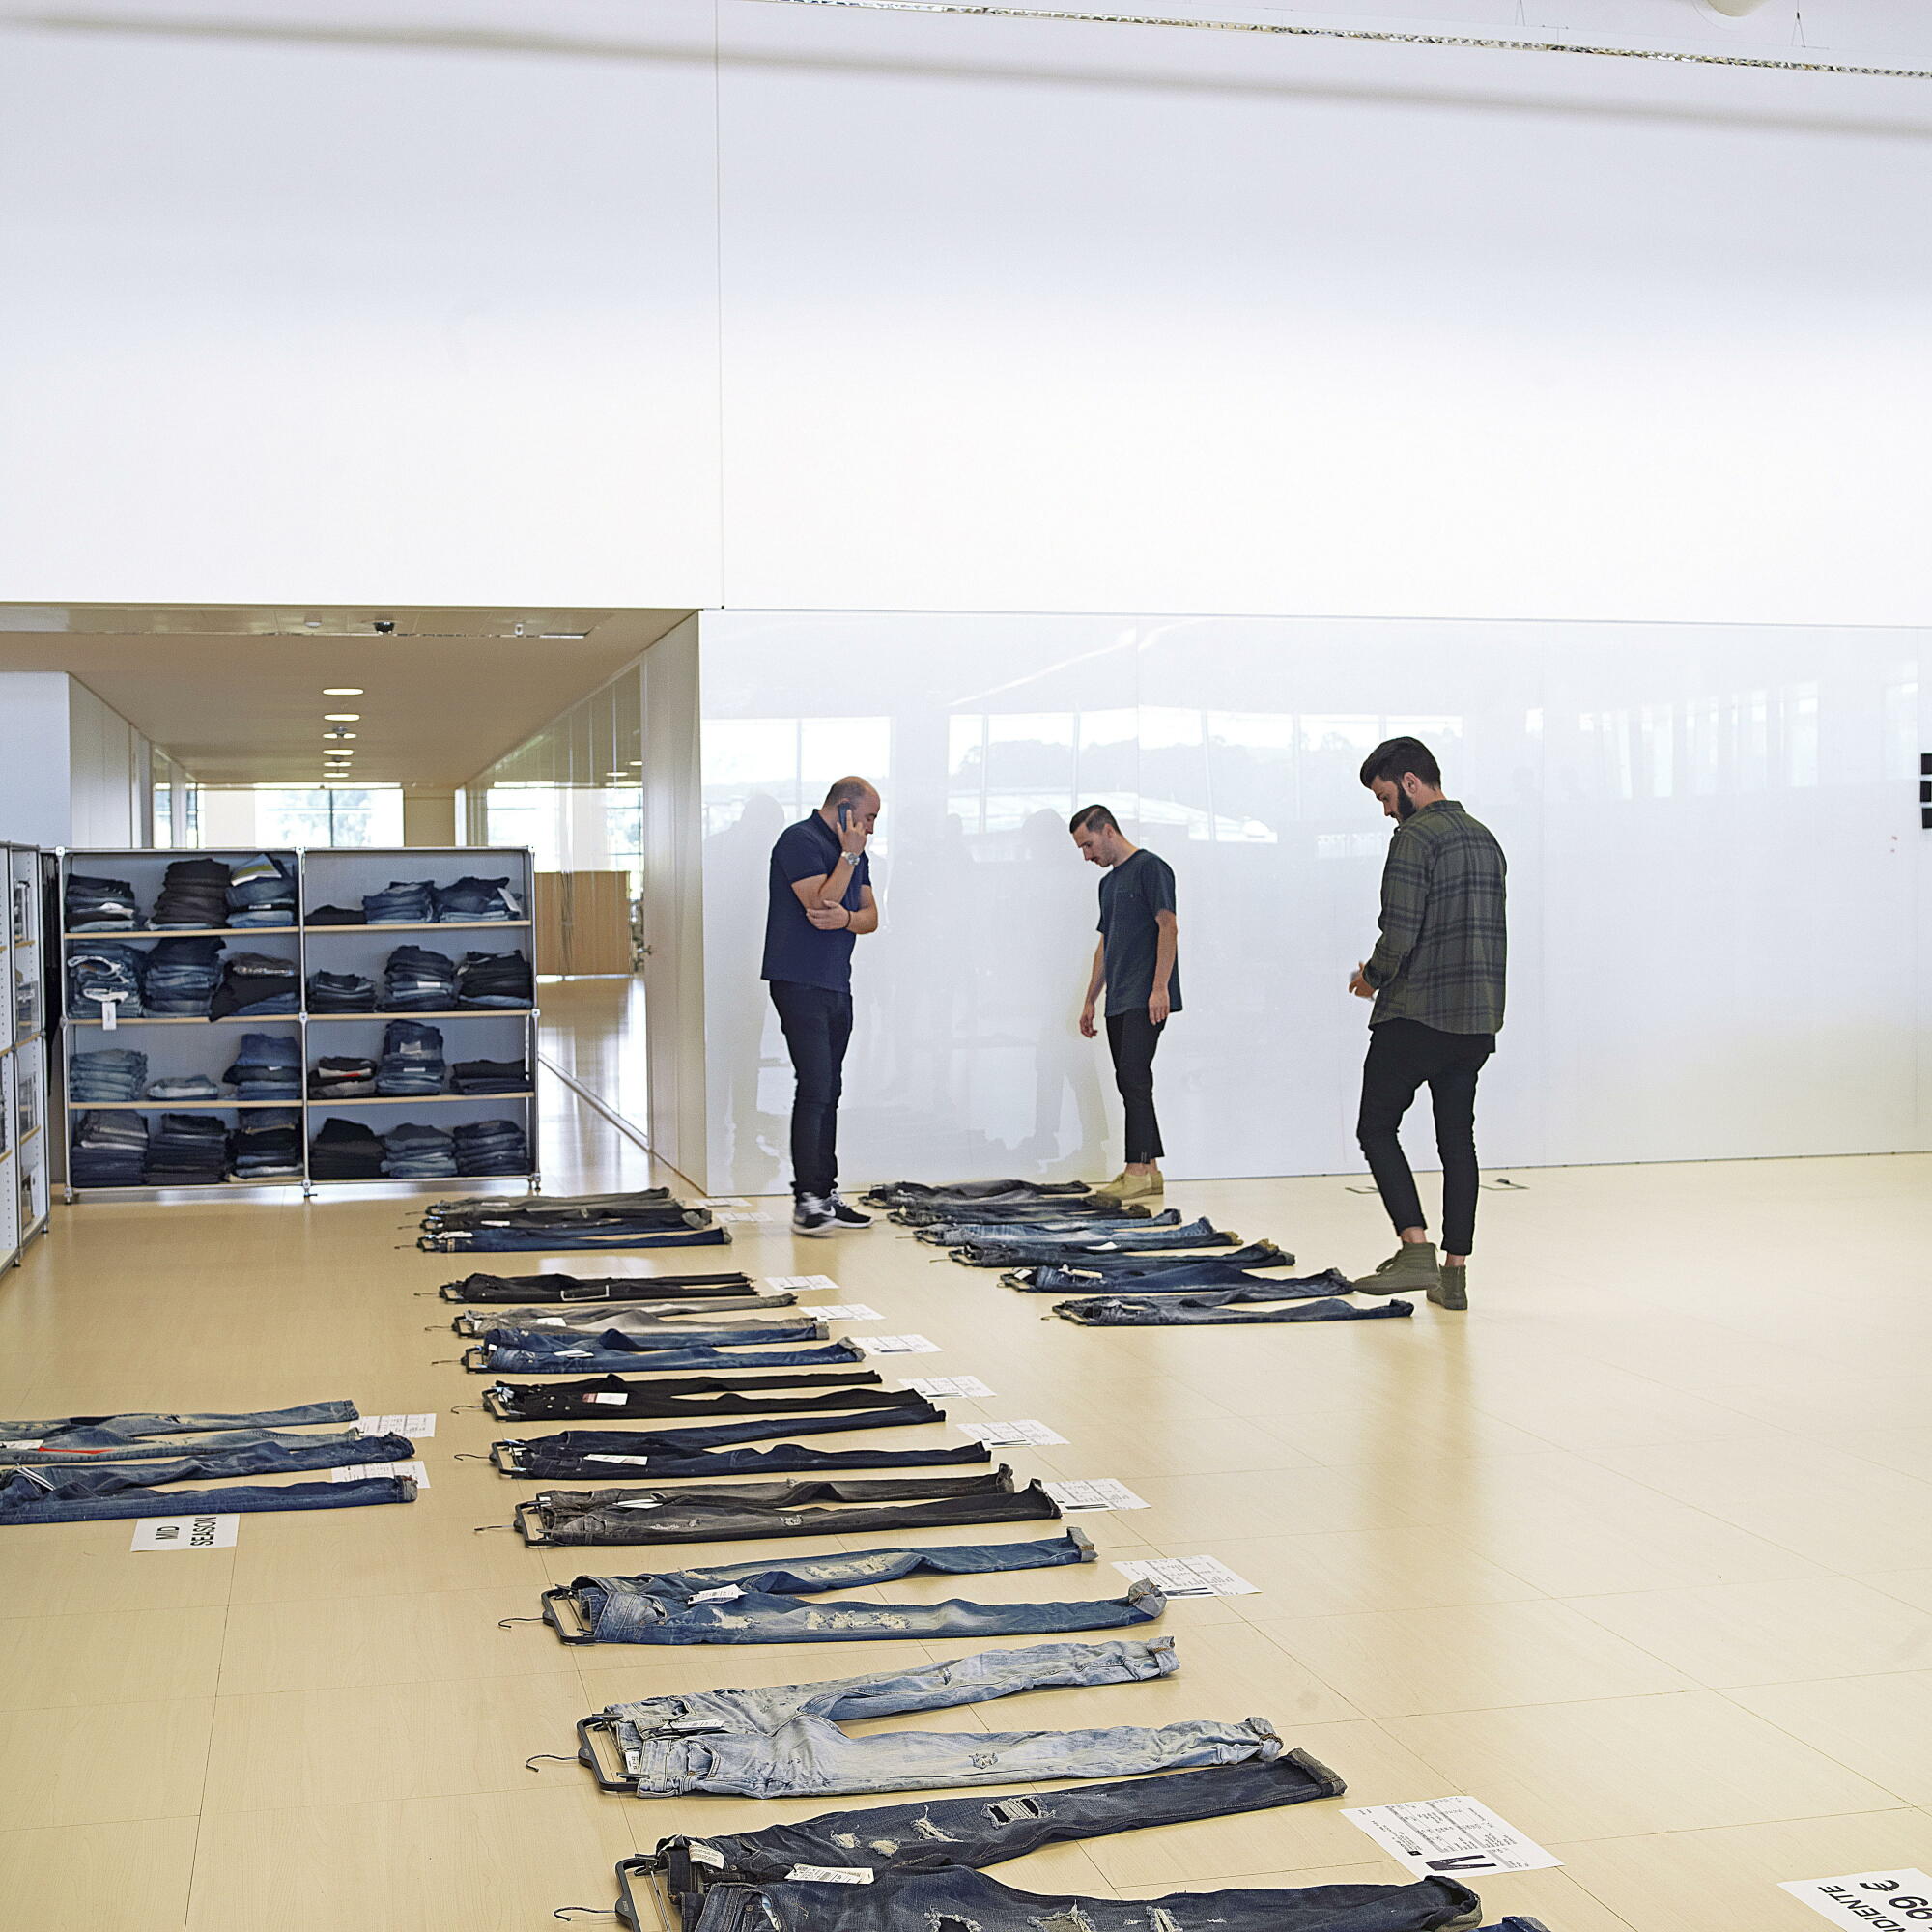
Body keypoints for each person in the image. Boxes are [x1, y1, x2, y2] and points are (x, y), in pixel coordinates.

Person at [1347, 737, 1506, 1312]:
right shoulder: (1486, 838)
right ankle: (1453, 1276)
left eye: (1386, 797)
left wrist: (1372, 977)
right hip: (1475, 1019)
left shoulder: (1414, 839)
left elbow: (1400, 931)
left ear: (1411, 782)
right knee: (1457, 1140)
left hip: (1417, 1014)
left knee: (1375, 1127)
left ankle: (1415, 1249)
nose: (1387, 810)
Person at [762, 777, 882, 1236]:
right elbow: (820, 904)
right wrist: (848, 858)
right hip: (798, 981)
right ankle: (806, 1199)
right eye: (868, 818)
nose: (871, 828)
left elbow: (870, 918)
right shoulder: (799, 841)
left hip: (836, 982)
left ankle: (825, 1192)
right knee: (814, 1085)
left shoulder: (856, 852)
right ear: (845, 808)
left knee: (830, 1087)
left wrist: (848, 917)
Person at [1071, 804, 1179, 1200]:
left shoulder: (1152, 868)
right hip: (1118, 996)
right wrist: (1089, 999)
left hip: (1145, 995)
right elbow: (1106, 943)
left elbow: (1168, 926)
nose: (1087, 855)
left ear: (1108, 831)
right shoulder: (1108, 884)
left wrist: (1160, 987)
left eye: (1088, 844)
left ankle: (1135, 1169)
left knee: (1133, 1077)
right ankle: (1149, 1171)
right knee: (1132, 1080)